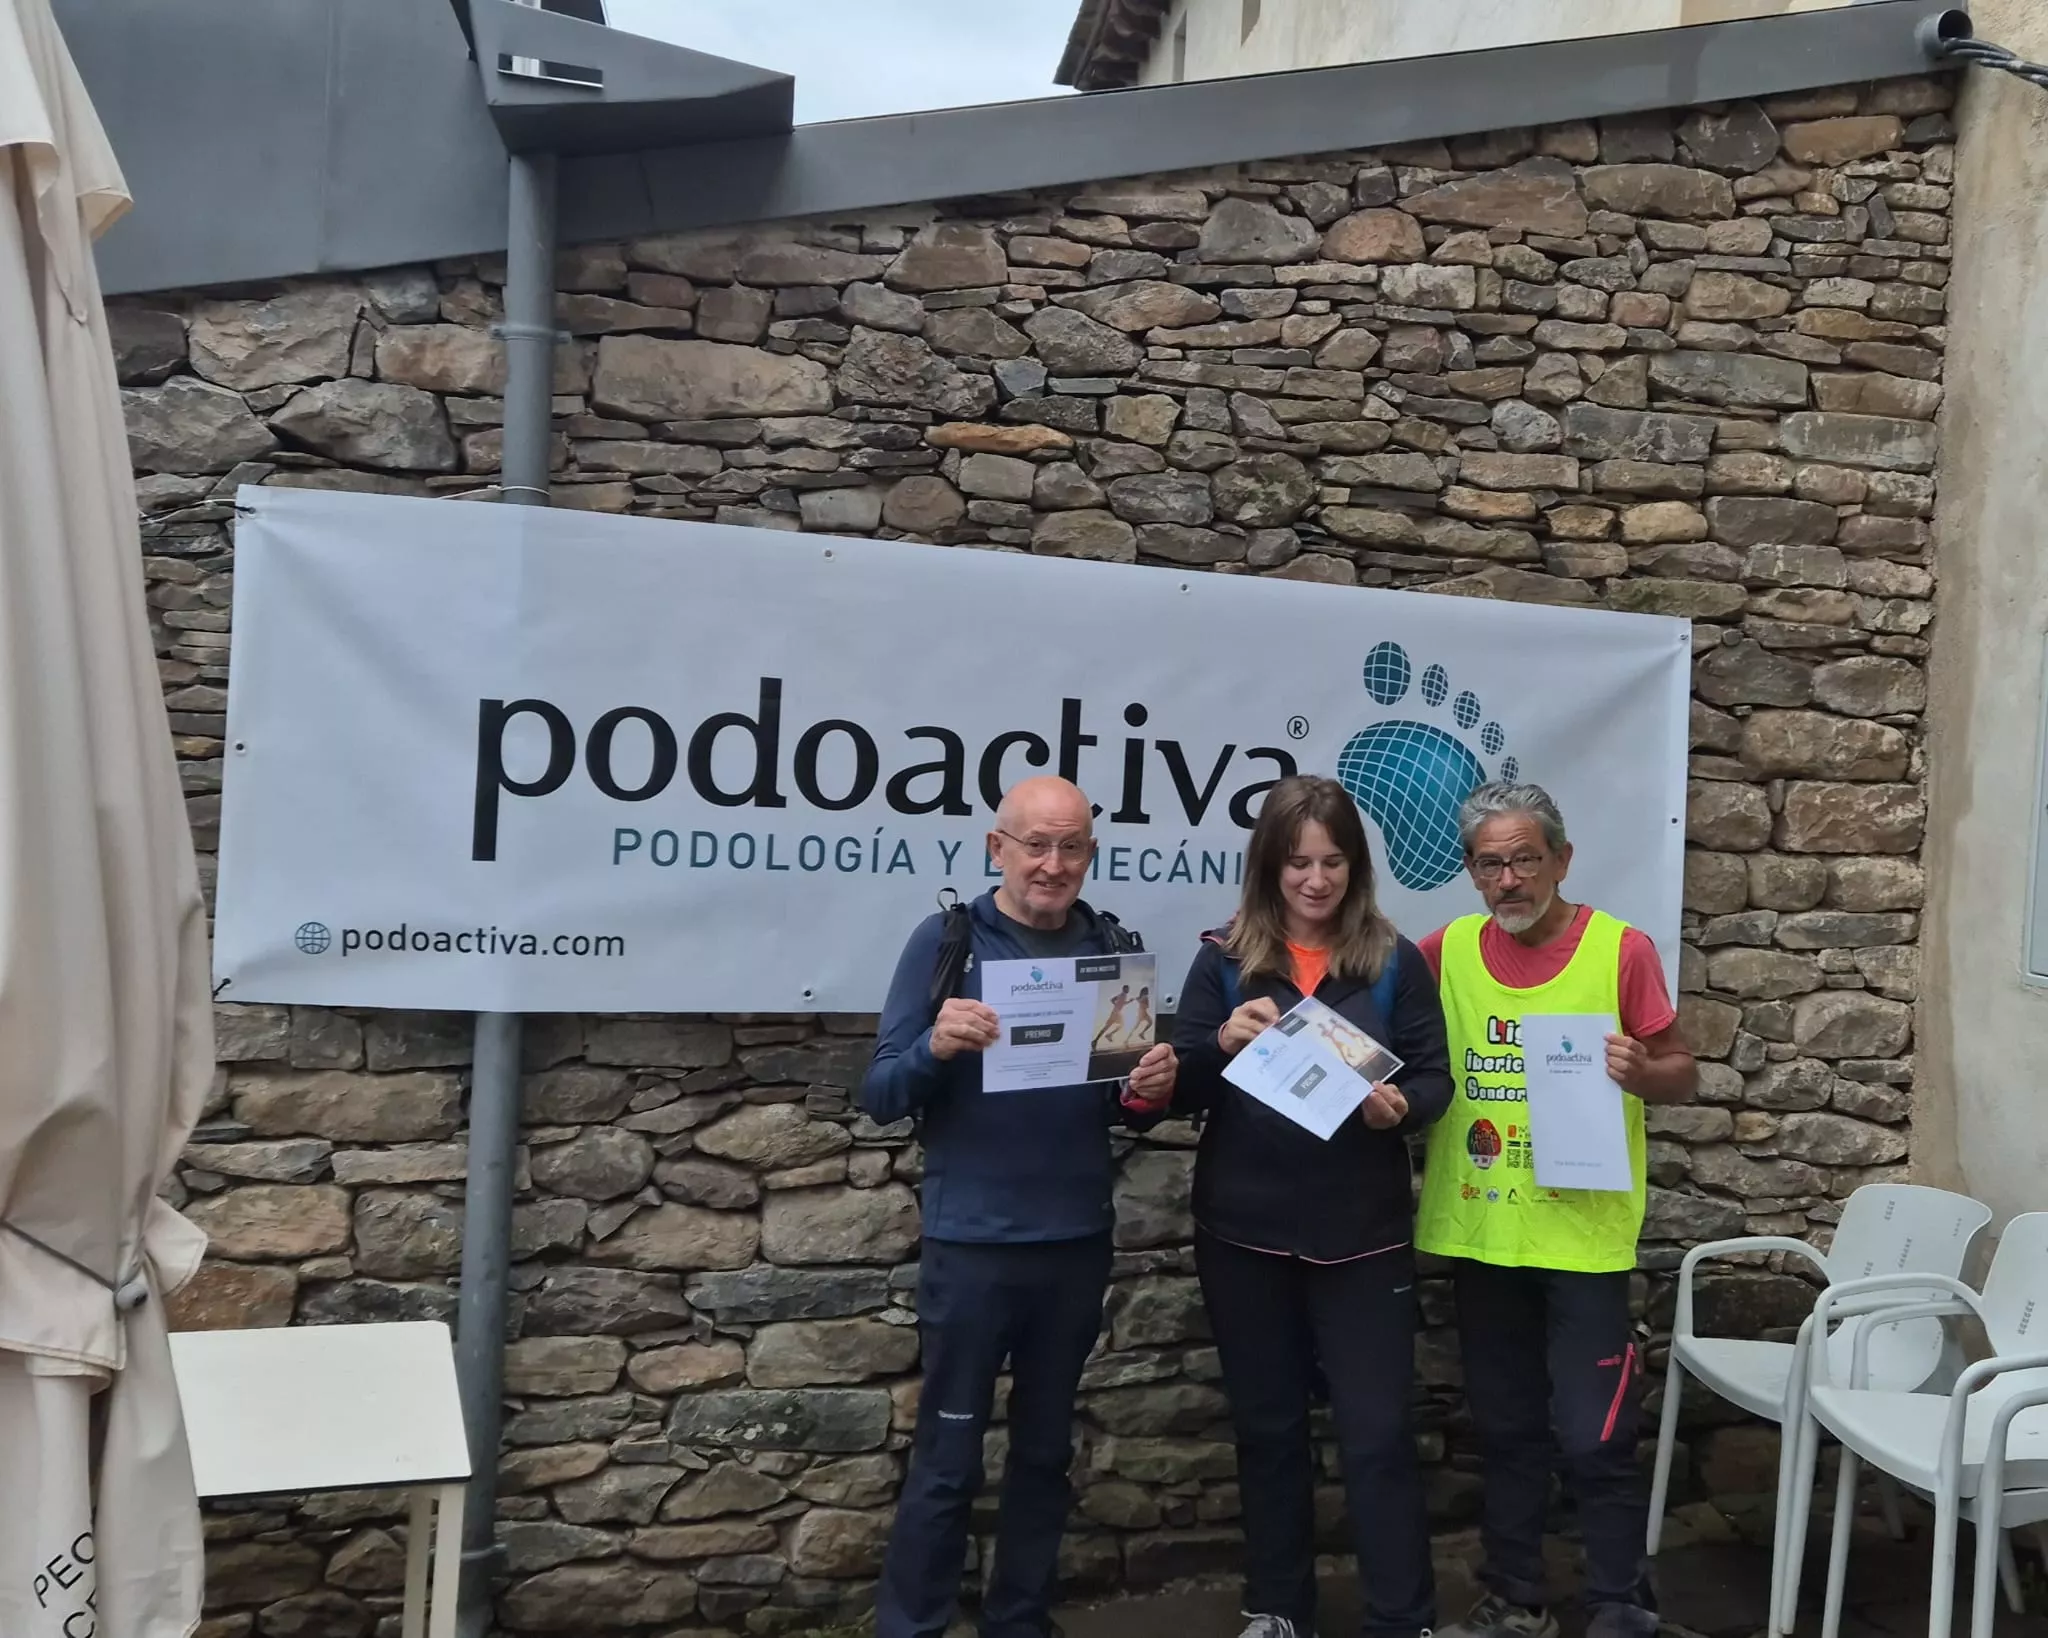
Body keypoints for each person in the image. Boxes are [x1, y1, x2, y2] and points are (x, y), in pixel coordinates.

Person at [861, 775, 1179, 1638]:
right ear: (996, 848)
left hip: (1075, 1243)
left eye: (1070, 845)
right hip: (973, 1246)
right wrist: (934, 1045)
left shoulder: (1112, 948)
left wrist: (1150, 1086)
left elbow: (1126, 1105)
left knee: (1044, 1456)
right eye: (1034, 844)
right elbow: (882, 1091)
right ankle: (912, 1627)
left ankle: (1020, 1621)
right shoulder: (949, 942)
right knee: (948, 1459)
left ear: (1090, 854)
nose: (1052, 863)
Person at [1172, 775, 1454, 1638]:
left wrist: (1405, 1107)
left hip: (1360, 1236)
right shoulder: (1224, 956)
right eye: (1298, 862)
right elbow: (1174, 1082)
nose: (1316, 880)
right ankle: (1277, 1608)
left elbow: (1437, 1076)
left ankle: (1403, 1618)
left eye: (1333, 861)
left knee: (1375, 1437)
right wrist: (1217, 1043)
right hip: (1243, 1231)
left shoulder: (1393, 959)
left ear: (1356, 867)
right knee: (1268, 1430)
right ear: (1270, 866)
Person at [1420, 782, 1696, 1638]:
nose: (1509, 880)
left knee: (1595, 1435)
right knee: (1503, 1431)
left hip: (1583, 1236)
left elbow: (1681, 1071)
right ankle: (1517, 1600)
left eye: (1525, 859)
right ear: (1470, 873)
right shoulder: (1443, 951)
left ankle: (1621, 1603)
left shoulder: (1621, 950)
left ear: (1561, 860)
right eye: (1490, 864)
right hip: (1484, 1231)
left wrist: (1640, 1074)